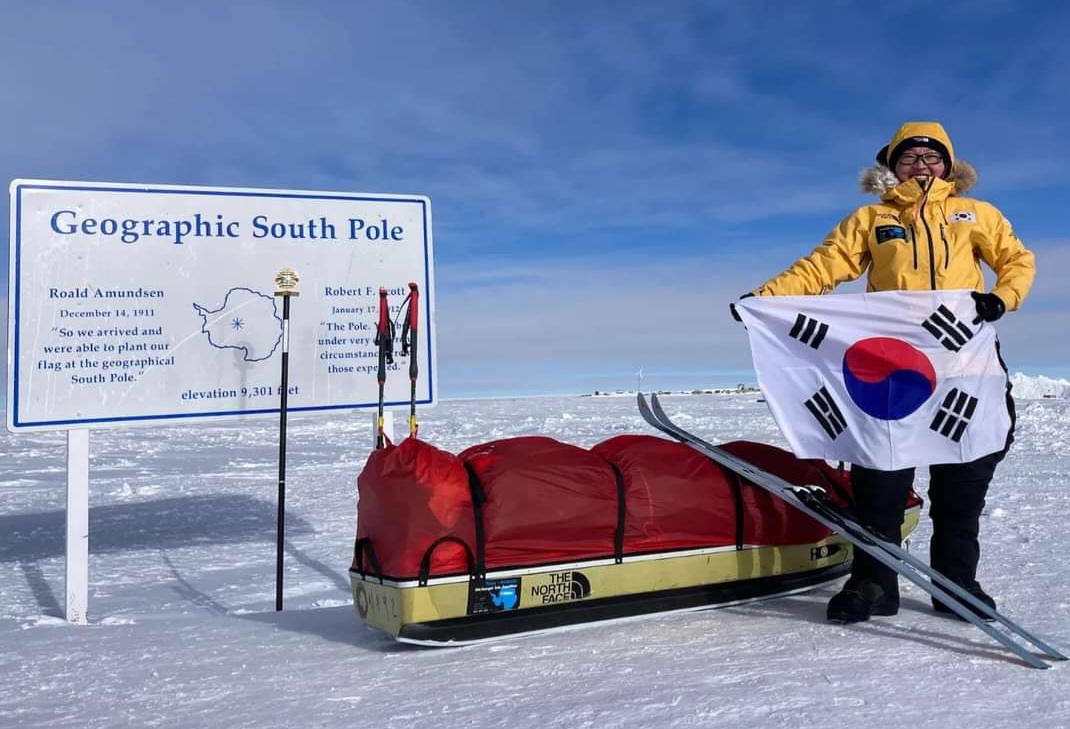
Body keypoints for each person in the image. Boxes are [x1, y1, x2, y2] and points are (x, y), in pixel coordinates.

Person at [733, 121, 1036, 623]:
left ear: (948, 164)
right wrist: (763, 301)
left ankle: (955, 582)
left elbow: (1017, 261)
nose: (921, 165)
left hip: (962, 363)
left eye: (931, 157)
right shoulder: (871, 219)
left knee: (962, 477)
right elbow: (823, 266)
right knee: (881, 479)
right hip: (891, 367)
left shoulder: (975, 214)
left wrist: (1001, 297)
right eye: (909, 157)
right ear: (892, 166)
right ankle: (874, 584)